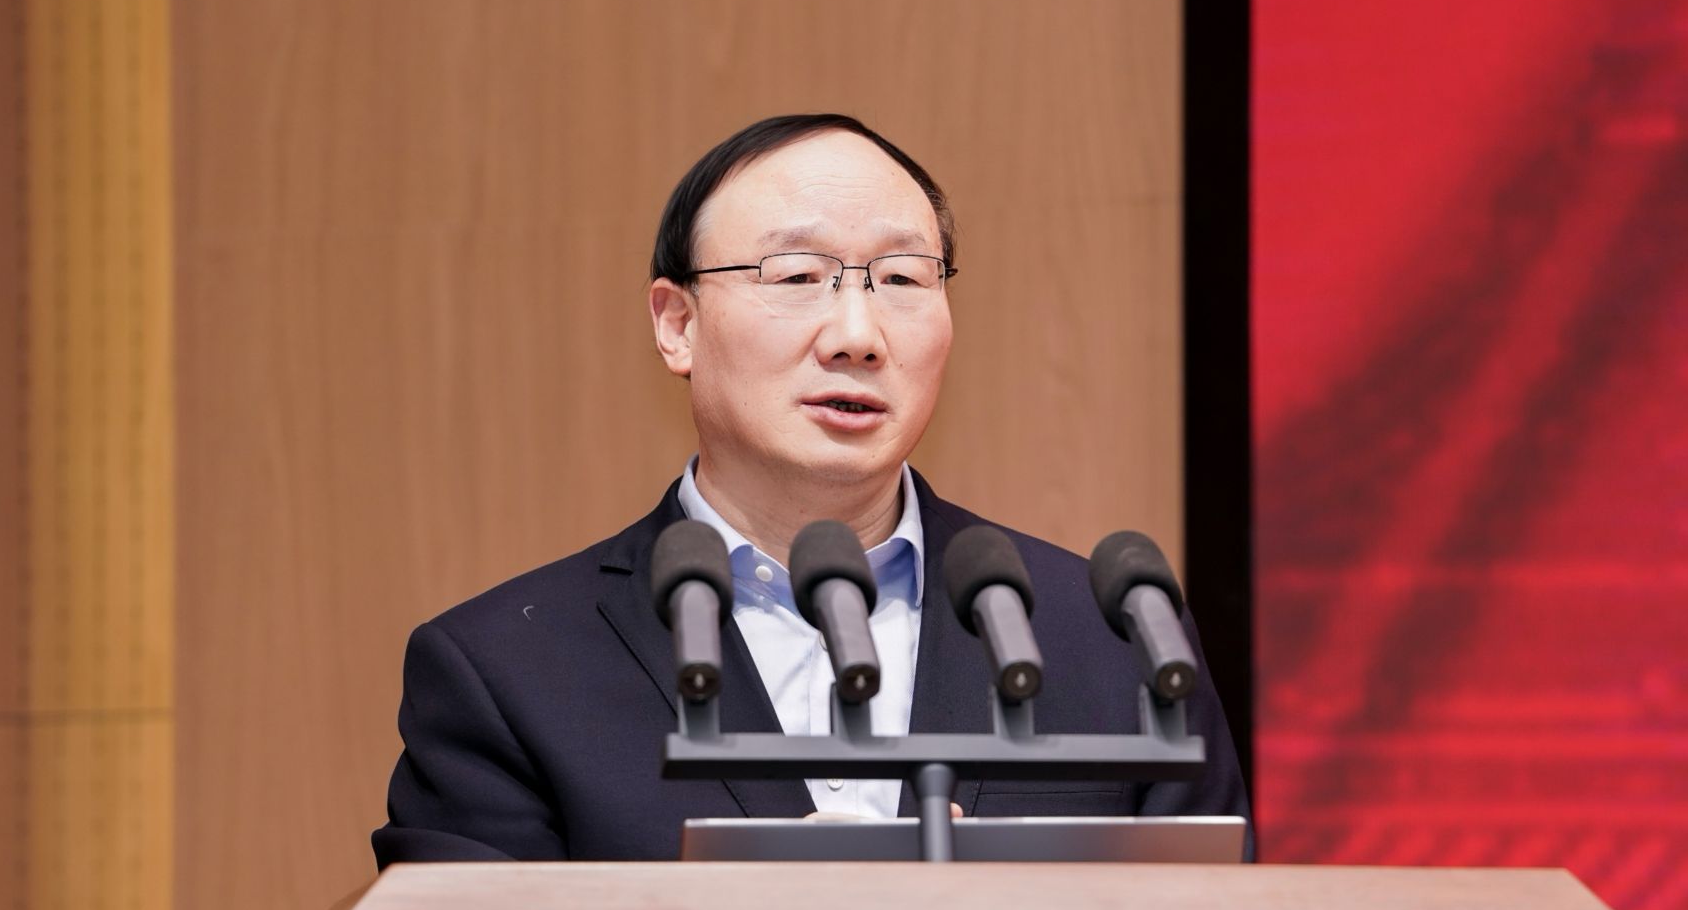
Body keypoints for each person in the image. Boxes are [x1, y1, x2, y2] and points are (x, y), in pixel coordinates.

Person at [373, 114, 1249, 864]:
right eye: (796, 277)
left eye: (902, 279)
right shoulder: (509, 670)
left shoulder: (1113, 638)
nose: (857, 335)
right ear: (677, 325)